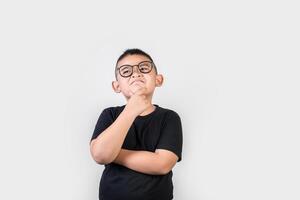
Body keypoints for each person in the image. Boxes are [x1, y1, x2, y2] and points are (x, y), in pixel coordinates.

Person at [89, 48, 183, 200]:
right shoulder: (110, 114)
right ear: (116, 86)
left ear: (158, 79)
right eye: (126, 71)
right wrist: (131, 109)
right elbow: (100, 155)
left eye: (144, 68)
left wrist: (112, 153)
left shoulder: (169, 117)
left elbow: (162, 164)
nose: (136, 73)